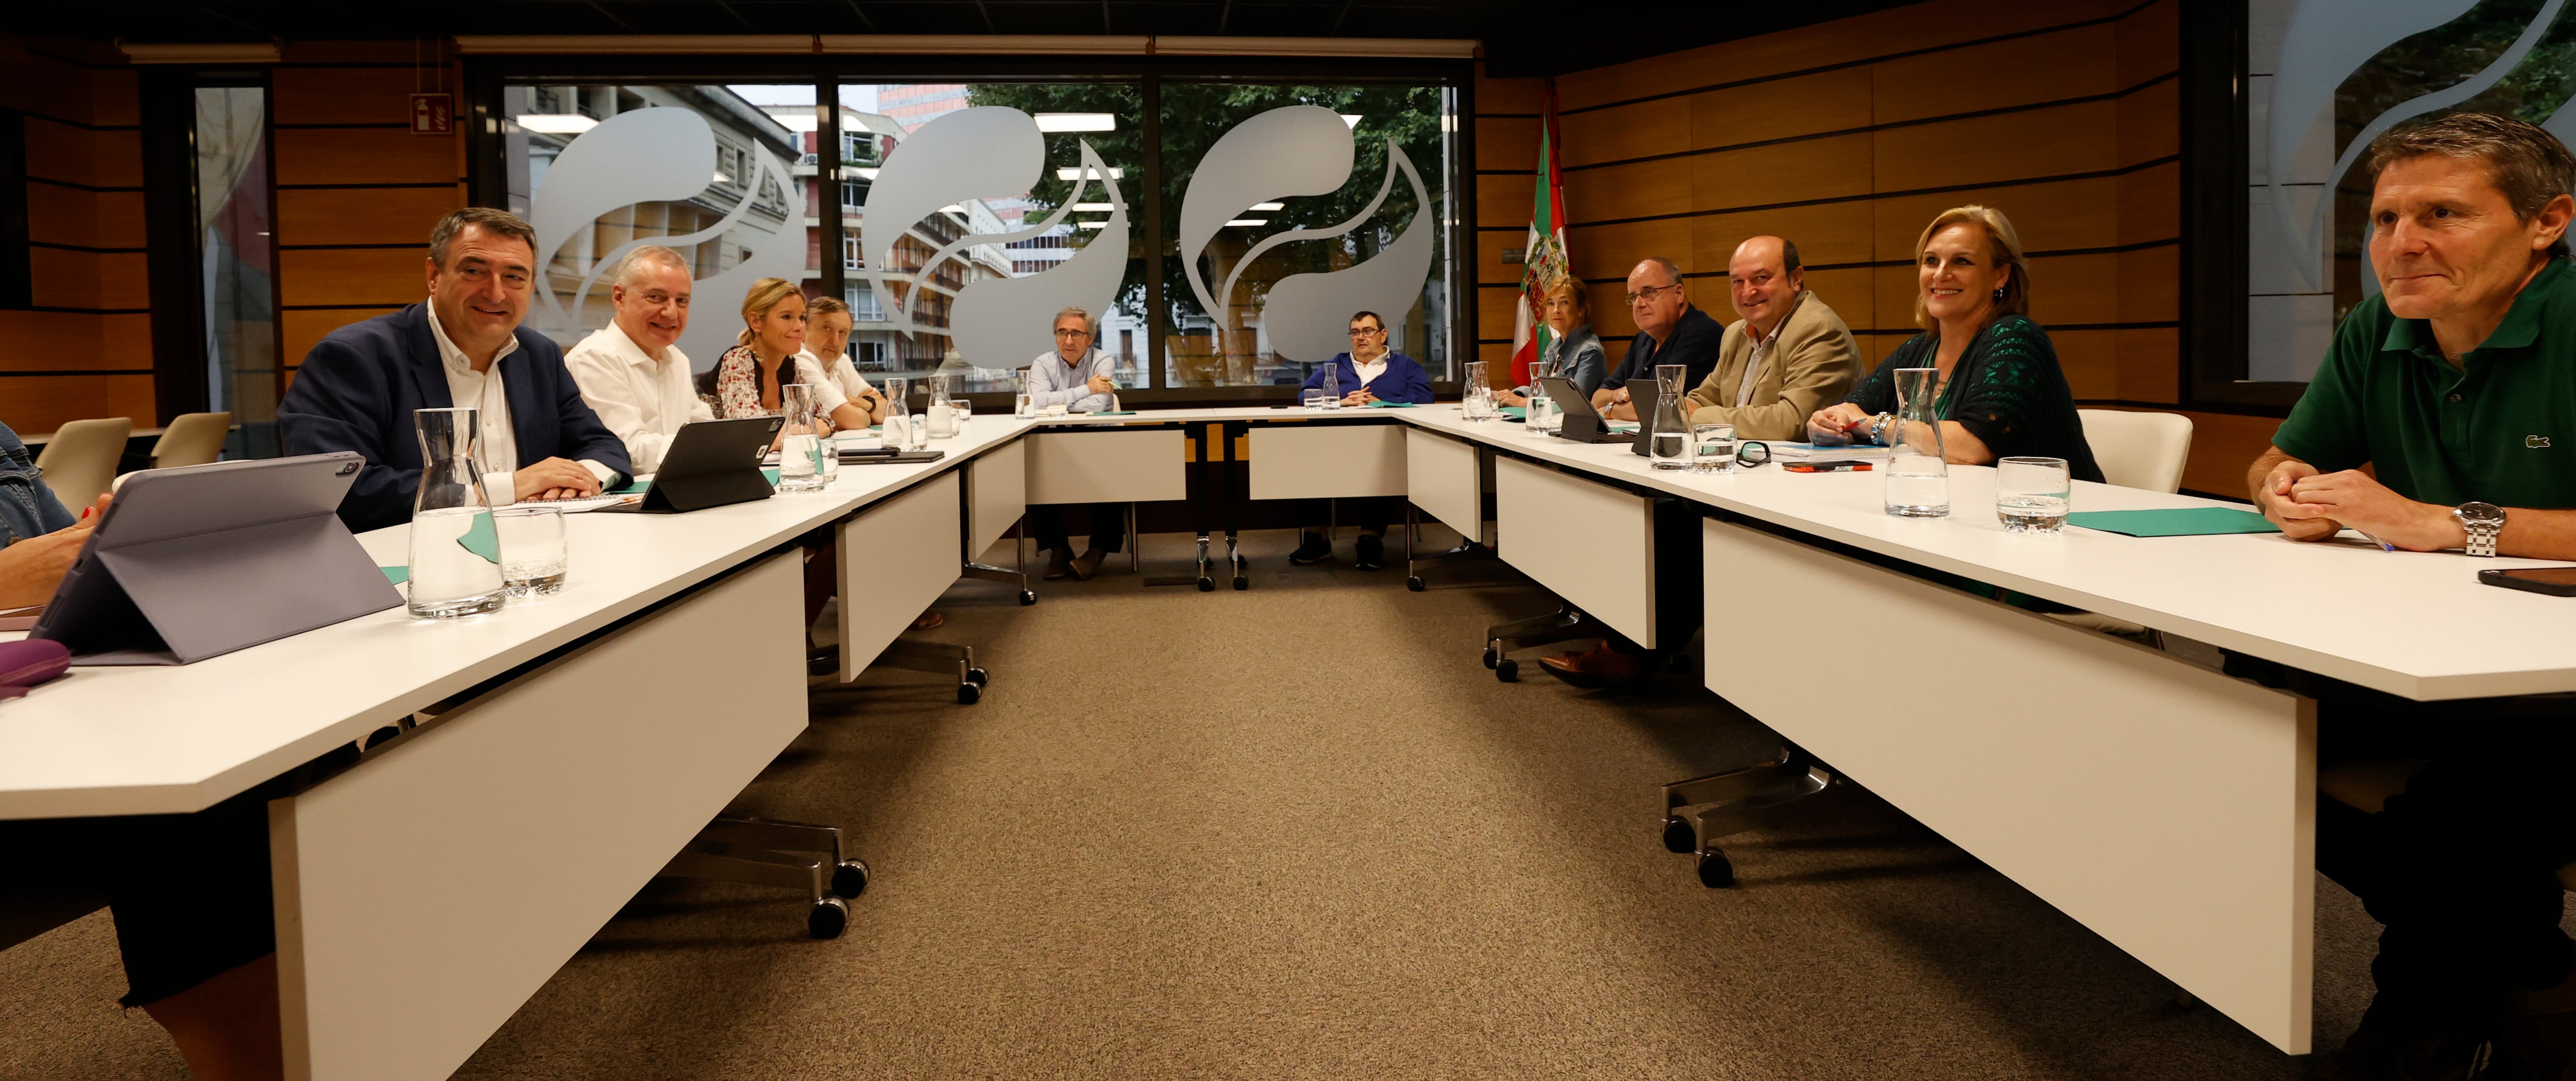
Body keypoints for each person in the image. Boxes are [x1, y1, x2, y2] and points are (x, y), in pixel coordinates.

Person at [2245, 113, 2576, 1081]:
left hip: (2555, 680)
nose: (2402, 242)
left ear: (2547, 222)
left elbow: (2433, 524)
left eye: (2443, 212)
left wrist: (2450, 522)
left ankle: (2424, 1014)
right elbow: (2278, 453)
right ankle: (2533, 964)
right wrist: (2283, 487)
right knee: (2243, 718)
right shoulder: (2378, 326)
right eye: (2387, 217)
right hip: (2443, 656)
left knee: (2471, 808)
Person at [4, 418, 282, 1081]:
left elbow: (66, 563)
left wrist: (102, 552)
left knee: (250, 752)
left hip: (33, 717)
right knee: (195, 814)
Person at [280, 208, 632, 532]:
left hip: (534, 549)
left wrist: (576, 480)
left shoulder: (538, 354)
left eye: (514, 277)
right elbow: (337, 491)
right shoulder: (356, 357)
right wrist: (507, 487)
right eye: (475, 271)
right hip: (405, 568)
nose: (496, 294)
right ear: (434, 275)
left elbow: (603, 445)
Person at [1806, 205, 2102, 482]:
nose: (1940, 274)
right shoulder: (1918, 349)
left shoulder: (2015, 337)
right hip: (1956, 514)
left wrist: (1874, 425)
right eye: (1931, 260)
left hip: (2056, 520)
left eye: (1962, 261)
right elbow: (1852, 409)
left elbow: (1972, 447)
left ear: (2000, 275)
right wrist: (1828, 423)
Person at [1289, 310, 1435, 570]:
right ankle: (1316, 539)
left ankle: (1370, 539)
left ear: (1383, 334)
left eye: (1368, 331)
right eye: (1355, 333)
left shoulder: (1404, 366)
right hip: (1332, 443)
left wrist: (1385, 404)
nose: (1361, 338)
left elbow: (1424, 399)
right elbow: (1304, 396)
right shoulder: (1335, 366)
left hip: (1385, 442)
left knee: (1384, 461)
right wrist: (1338, 402)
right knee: (1303, 456)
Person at [1681, 236, 1864, 440]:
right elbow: (1703, 400)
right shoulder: (1736, 334)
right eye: (1738, 282)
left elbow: (1792, 422)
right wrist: (1668, 410)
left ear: (1796, 278)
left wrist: (1698, 417)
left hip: (1801, 469)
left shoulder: (1819, 330)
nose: (1748, 291)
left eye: (1761, 278)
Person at [564, 245, 713, 474]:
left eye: (682, 301)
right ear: (619, 297)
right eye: (656, 297)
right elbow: (627, 452)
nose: (672, 312)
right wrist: (715, 447)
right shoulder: (593, 358)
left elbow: (703, 427)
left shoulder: (677, 358)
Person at [1025, 306, 1128, 581]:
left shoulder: (1103, 361)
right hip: (1053, 437)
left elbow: (1100, 404)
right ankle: (1059, 549)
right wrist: (1086, 389)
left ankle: (1097, 551)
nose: (1068, 341)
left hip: (1097, 436)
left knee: (1115, 475)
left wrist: (1058, 401)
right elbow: (1036, 403)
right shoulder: (1042, 363)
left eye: (1075, 334)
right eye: (1062, 333)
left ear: (1090, 338)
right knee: (1034, 472)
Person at [697, 278, 872, 433]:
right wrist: (804, 430)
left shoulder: (789, 365)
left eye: (802, 318)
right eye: (787, 317)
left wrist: (793, 432)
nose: (799, 327)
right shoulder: (737, 360)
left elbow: (826, 421)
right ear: (756, 321)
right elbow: (751, 433)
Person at [1594, 258, 1724, 422]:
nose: (1639, 304)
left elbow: (1656, 408)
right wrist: (1616, 394)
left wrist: (1610, 408)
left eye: (1649, 293)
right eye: (1633, 297)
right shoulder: (1642, 340)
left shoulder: (1701, 335)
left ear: (1678, 294)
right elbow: (1597, 398)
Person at [1498, 277, 1606, 407]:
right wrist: (1512, 396)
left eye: (1564, 302)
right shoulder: (1553, 347)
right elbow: (1542, 393)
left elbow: (1574, 404)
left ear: (1581, 309)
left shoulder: (1591, 352)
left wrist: (1523, 402)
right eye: (1550, 303)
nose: (1556, 310)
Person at [799, 296, 890, 427]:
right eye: (827, 328)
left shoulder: (841, 360)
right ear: (804, 331)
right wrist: (864, 413)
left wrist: (867, 404)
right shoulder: (799, 359)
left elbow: (889, 412)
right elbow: (853, 421)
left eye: (842, 332)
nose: (835, 341)